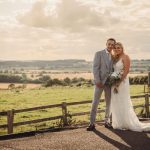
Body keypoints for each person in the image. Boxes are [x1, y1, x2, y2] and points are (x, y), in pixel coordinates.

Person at [111, 42, 150, 132]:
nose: (117, 49)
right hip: (114, 82)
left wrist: (119, 82)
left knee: (123, 101)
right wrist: (113, 80)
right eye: (115, 48)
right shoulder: (115, 58)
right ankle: (118, 123)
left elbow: (126, 70)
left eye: (119, 48)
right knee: (116, 101)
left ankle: (127, 122)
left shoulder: (126, 57)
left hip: (122, 82)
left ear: (122, 48)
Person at [87, 38, 116, 131]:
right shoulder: (98, 54)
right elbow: (95, 68)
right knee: (95, 102)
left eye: (112, 44)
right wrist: (97, 81)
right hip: (99, 83)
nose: (110, 46)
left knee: (108, 103)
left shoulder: (114, 55)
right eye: (109, 44)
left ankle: (106, 122)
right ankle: (91, 124)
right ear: (106, 44)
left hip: (109, 83)